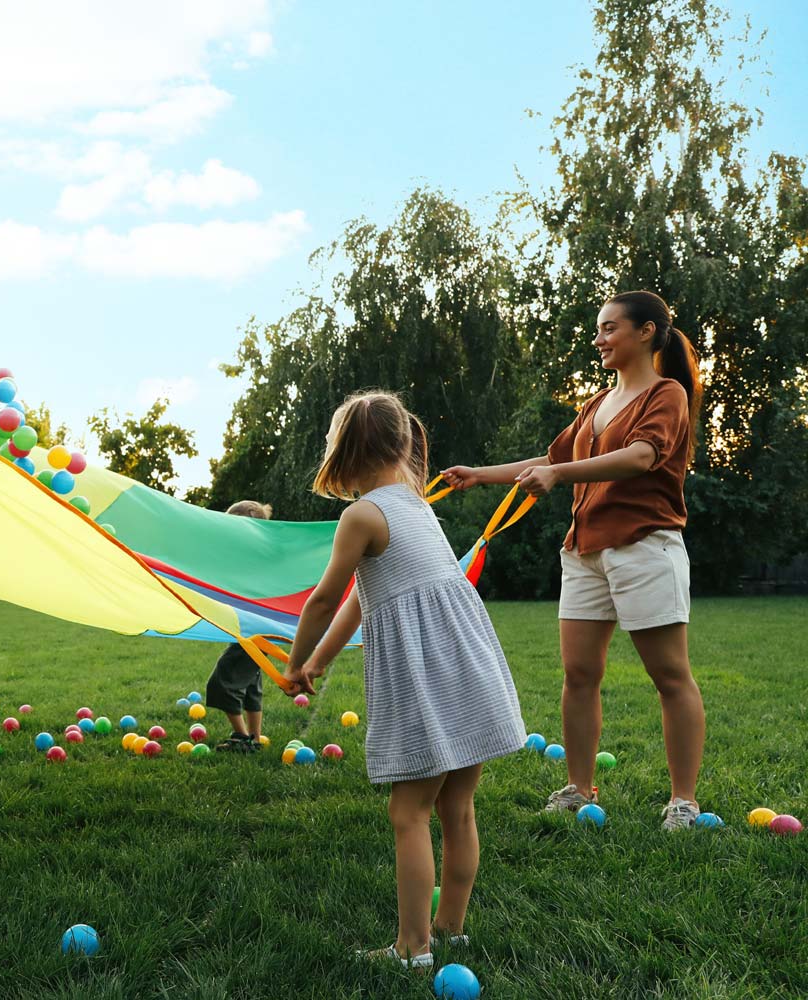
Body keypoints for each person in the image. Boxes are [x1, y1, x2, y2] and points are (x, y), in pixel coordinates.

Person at [441, 290, 705, 829]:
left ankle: (683, 800)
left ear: (647, 331)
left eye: (610, 328)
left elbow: (641, 456)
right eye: (599, 328)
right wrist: (479, 474)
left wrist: (560, 476)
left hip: (644, 545)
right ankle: (578, 787)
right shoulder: (595, 404)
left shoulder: (667, 394)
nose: (599, 338)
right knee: (578, 674)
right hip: (584, 551)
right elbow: (554, 458)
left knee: (670, 675)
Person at [284, 391, 525, 968]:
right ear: (401, 444)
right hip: (470, 670)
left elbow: (321, 601)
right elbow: (364, 600)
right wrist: (321, 661)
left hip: (427, 678)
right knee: (458, 809)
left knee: (409, 814)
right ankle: (451, 929)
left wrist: (294, 662)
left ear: (342, 452)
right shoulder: (415, 507)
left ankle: (413, 949)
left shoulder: (362, 515)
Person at [207, 500, 275, 752]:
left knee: (221, 681)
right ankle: (255, 739)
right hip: (256, 629)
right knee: (250, 685)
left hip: (254, 631)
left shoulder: (257, 554)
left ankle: (242, 737)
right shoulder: (259, 554)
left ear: (248, 518)